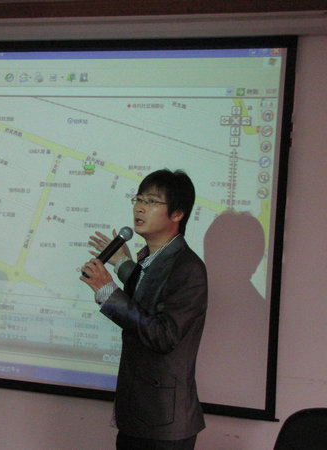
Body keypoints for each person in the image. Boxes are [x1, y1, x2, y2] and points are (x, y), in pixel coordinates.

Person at [80, 169, 208, 450]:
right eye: (138, 199)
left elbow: (163, 335)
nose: (139, 208)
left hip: (163, 421)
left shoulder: (188, 268)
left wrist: (107, 290)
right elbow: (149, 291)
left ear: (177, 213)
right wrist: (123, 265)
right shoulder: (155, 259)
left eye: (151, 201)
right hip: (138, 415)